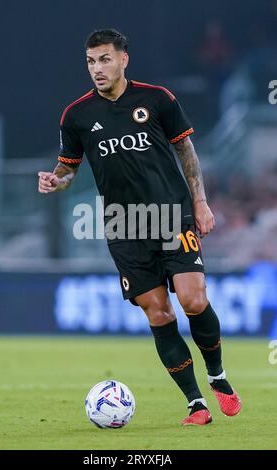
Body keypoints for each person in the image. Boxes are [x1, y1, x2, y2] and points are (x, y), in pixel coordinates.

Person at [38, 29, 241, 425]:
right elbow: (68, 170)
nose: (97, 69)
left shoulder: (157, 99)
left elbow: (185, 149)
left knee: (193, 300)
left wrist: (200, 201)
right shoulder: (76, 115)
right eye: (91, 62)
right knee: (159, 314)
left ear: (123, 59)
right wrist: (54, 181)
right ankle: (196, 403)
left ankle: (218, 376)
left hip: (171, 216)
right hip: (123, 226)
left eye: (105, 59)